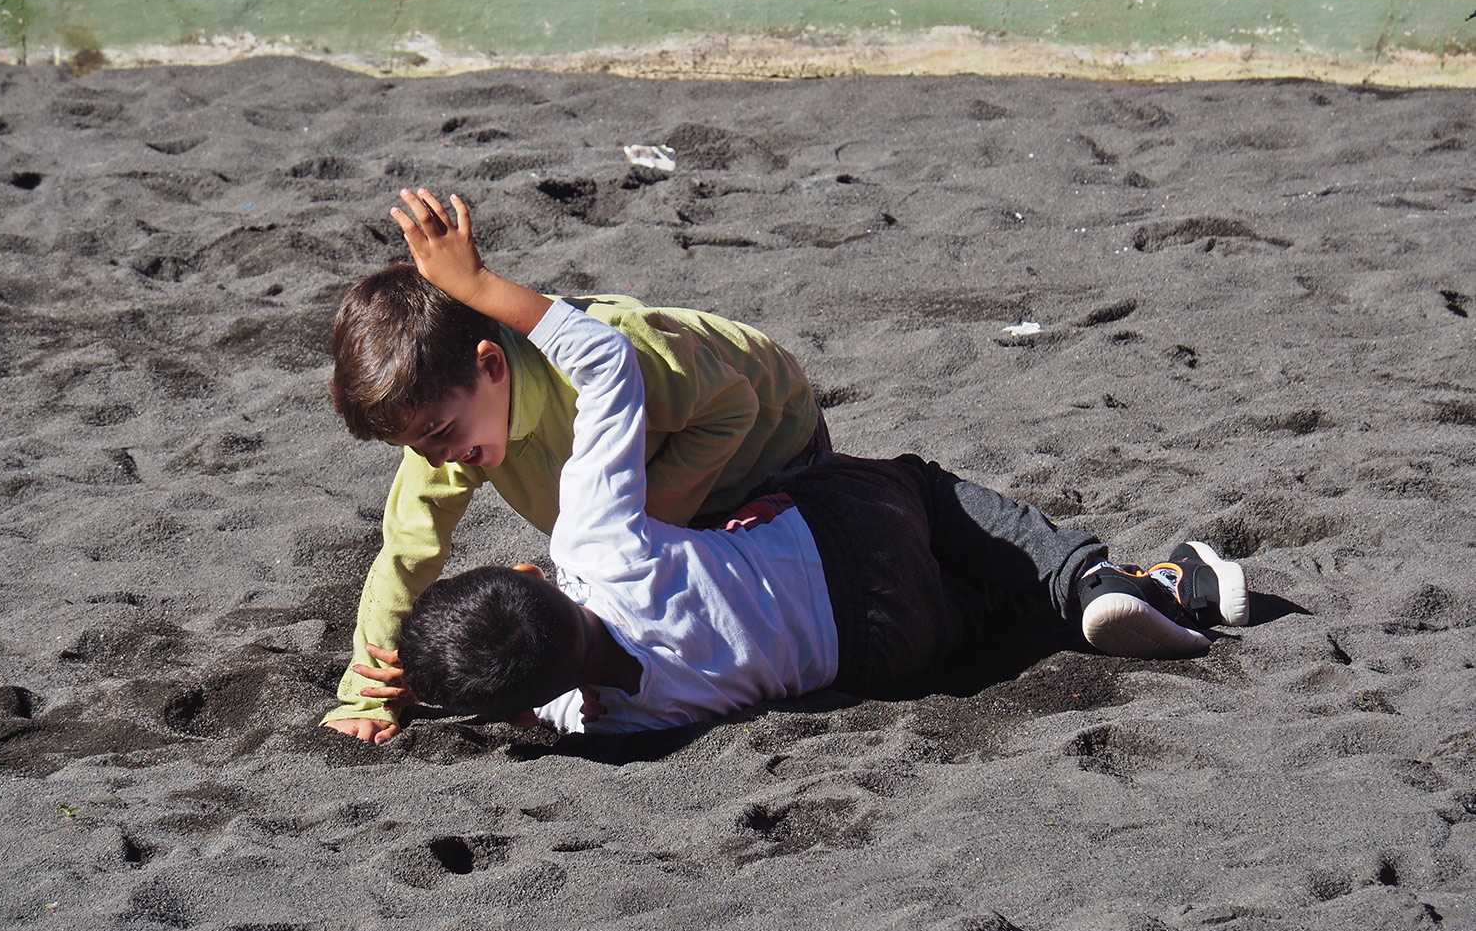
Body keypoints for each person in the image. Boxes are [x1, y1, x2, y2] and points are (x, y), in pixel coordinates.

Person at [375, 188, 1250, 735]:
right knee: (925, 493)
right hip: (838, 537)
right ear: (535, 578)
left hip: (876, 652)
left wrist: (428, 694)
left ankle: (1145, 595)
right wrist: (480, 288)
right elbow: (605, 363)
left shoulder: (615, 722)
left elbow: (547, 696)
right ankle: (1094, 577)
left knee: (978, 608)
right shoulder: (598, 544)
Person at [322, 188, 829, 743]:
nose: (436, 456)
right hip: (660, 514)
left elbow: (733, 409)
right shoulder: (446, 425)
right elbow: (406, 550)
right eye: (414, 446)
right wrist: (365, 697)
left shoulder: (614, 345)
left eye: (438, 435)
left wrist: (647, 521)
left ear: (490, 365)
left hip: (768, 458)